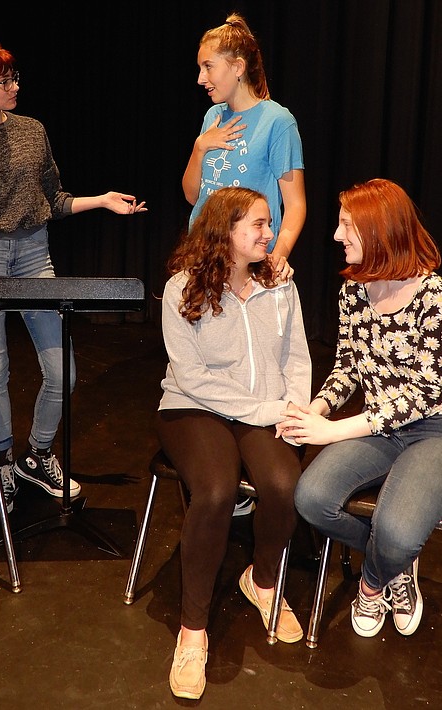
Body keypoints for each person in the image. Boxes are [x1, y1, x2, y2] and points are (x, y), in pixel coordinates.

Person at [0, 40, 146, 517]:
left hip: (35, 255)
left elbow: (53, 199)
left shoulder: (33, 131)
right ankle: (2, 465)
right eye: (3, 80)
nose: (15, 87)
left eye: (15, 77)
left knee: (63, 373)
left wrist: (99, 200)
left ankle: (37, 456)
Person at [278, 178, 442, 639]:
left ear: (379, 231)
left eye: (346, 225)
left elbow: (421, 396)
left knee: (396, 528)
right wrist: (316, 409)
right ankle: (395, 562)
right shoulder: (355, 290)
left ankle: (374, 581)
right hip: (381, 428)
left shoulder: (437, 298)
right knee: (311, 498)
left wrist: (332, 431)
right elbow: (348, 364)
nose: (335, 235)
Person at [157, 186, 311, 699]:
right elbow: (194, 378)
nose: (272, 233)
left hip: (262, 407)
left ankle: (262, 582)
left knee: (284, 484)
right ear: (226, 232)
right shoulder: (182, 288)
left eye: (270, 224)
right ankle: (192, 630)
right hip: (193, 408)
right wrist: (268, 410)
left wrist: (295, 408)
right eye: (261, 224)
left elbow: (296, 356)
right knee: (218, 491)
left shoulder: (280, 285)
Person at [183, 12, 307, 517]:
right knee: (204, 369)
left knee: (248, 370)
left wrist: (276, 258)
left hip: (247, 264)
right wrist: (198, 148)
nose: (201, 78)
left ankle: (245, 474)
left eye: (207, 66)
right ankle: (216, 471)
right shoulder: (211, 121)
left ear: (237, 66)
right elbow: (192, 194)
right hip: (200, 262)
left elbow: (294, 204)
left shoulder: (278, 121)